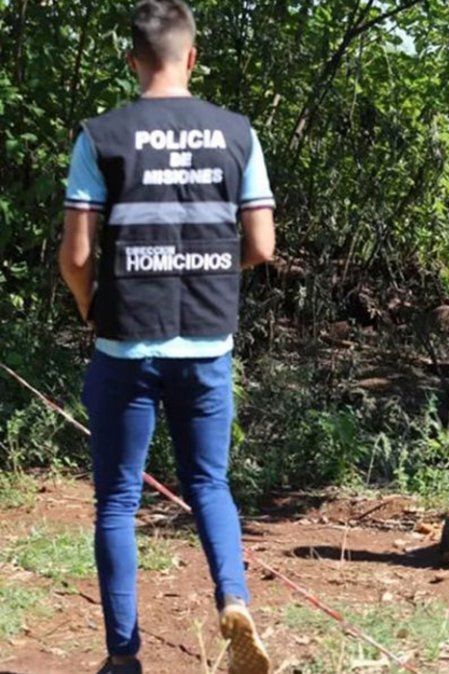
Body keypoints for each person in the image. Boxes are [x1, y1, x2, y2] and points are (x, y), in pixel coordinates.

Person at [59, 1, 276, 671]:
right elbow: (261, 246)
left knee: (118, 500)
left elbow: (75, 255)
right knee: (210, 484)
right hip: (207, 341)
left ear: (132, 61)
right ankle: (233, 599)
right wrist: (210, 265)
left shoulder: (101, 135)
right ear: (192, 56)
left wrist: (90, 304)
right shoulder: (237, 133)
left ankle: (123, 658)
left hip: (125, 342)